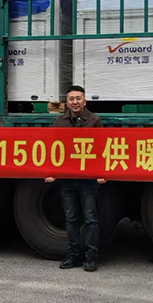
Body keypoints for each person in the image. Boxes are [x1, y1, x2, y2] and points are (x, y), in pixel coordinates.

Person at [45, 85, 105, 272]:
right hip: (67, 179)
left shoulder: (94, 120)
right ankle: (73, 255)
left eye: (78, 98)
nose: (75, 102)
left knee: (91, 218)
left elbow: (102, 149)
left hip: (88, 179)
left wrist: (102, 173)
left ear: (84, 101)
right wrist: (50, 171)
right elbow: (54, 149)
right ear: (67, 102)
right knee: (71, 219)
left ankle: (91, 256)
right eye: (71, 99)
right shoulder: (59, 121)